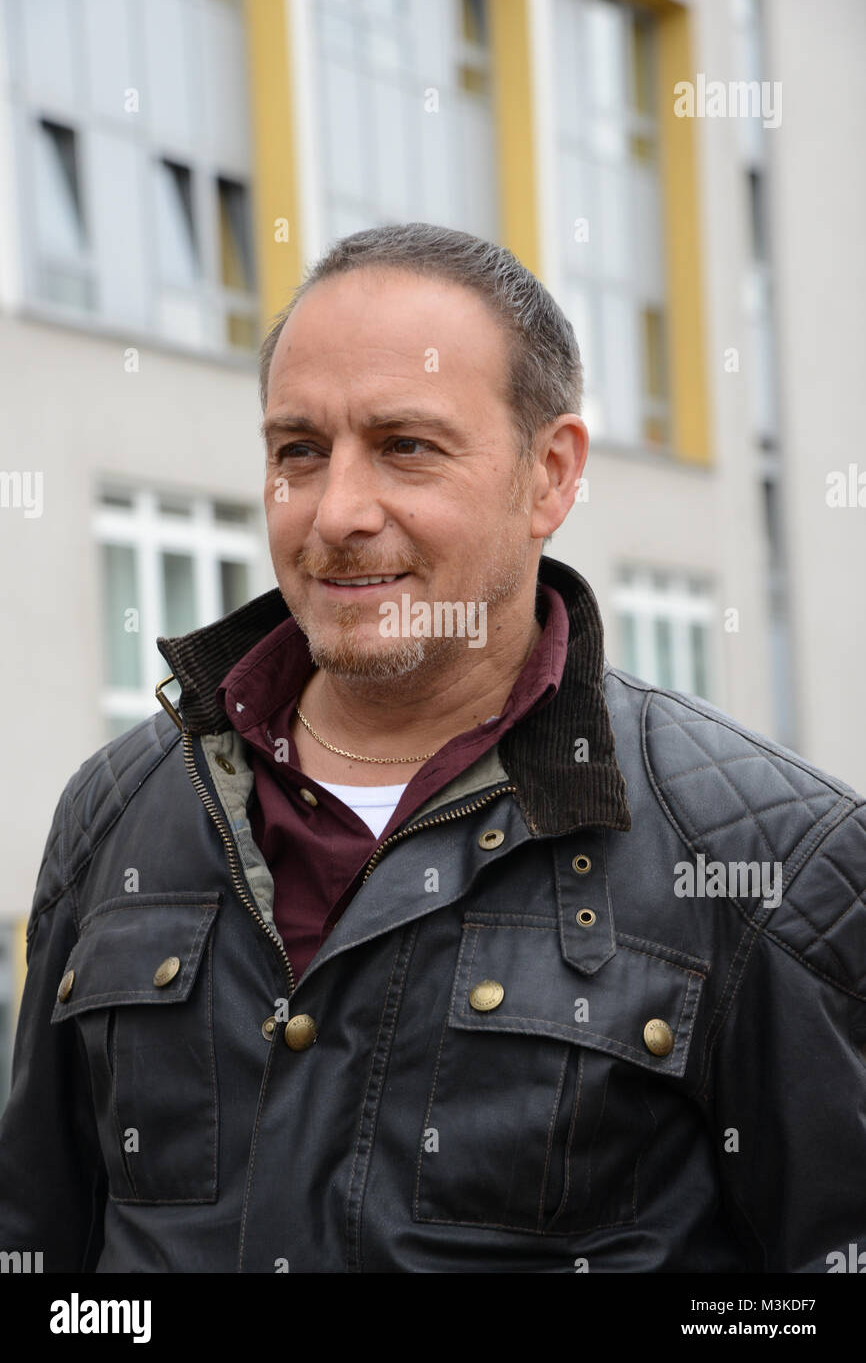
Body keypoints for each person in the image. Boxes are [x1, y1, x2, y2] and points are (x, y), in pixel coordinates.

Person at [1, 222, 864, 1273]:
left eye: (405, 446)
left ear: (549, 473)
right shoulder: (116, 809)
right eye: (298, 453)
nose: (338, 512)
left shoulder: (765, 854)